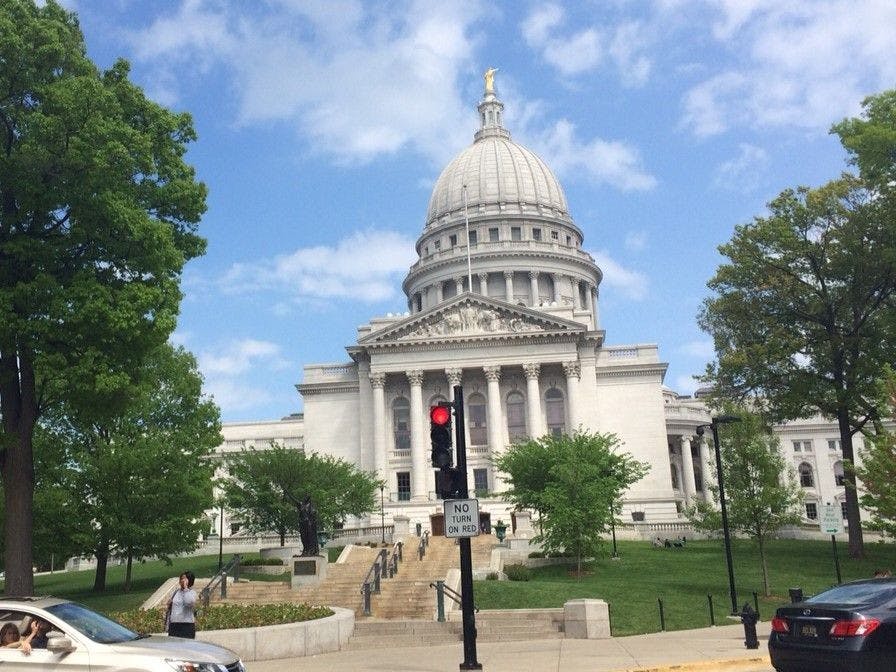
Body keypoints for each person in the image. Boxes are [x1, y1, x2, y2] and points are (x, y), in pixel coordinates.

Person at [167, 571, 198, 638]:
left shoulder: (192, 593)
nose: (182, 580)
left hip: (186, 625)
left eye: (184, 578)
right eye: (181, 578)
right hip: (174, 624)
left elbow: (189, 602)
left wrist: (185, 589)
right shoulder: (176, 592)